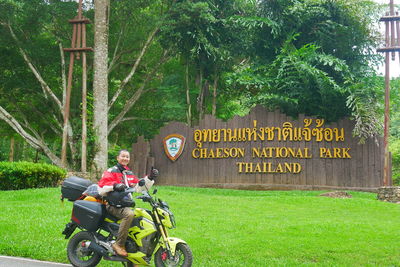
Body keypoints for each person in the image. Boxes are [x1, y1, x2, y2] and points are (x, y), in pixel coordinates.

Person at [97, 149, 157, 258]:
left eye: (127, 157)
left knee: (140, 218)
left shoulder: (129, 174)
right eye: (123, 156)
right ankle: (119, 244)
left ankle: (134, 255)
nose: (125, 158)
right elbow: (101, 188)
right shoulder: (111, 171)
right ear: (117, 158)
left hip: (124, 204)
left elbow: (138, 188)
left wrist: (149, 178)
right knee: (129, 214)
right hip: (112, 205)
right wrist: (114, 186)